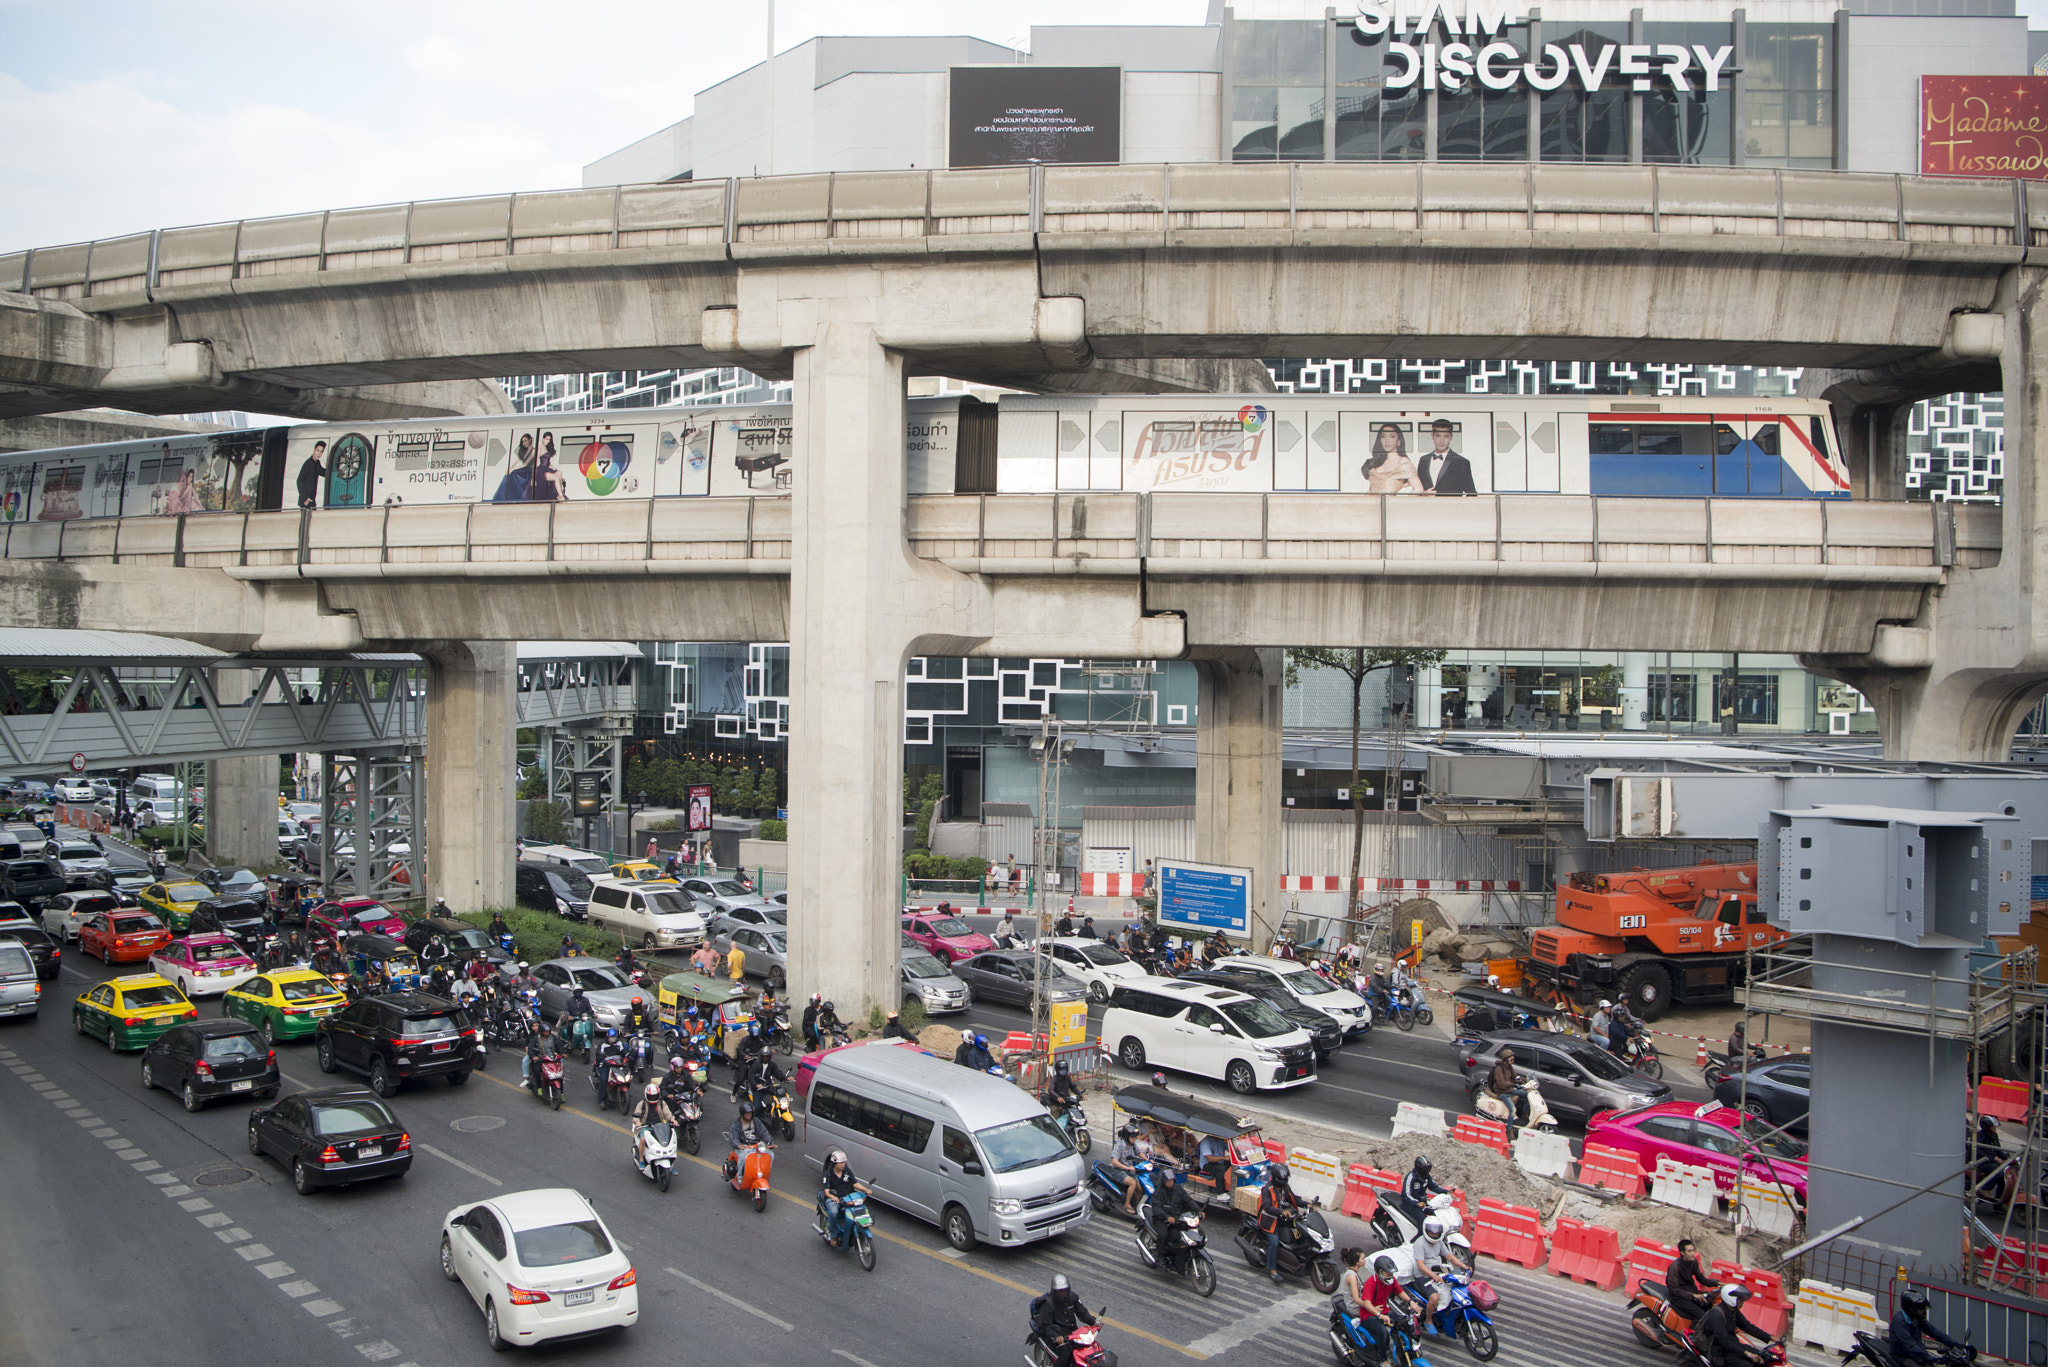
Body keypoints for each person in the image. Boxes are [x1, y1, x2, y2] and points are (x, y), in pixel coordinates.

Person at [1695, 1284, 1775, 1367]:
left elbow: (1748, 1327)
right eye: (1740, 1299)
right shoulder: (1716, 1315)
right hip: (1720, 1352)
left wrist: (1770, 1338)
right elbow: (1724, 1341)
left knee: (1763, 1356)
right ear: (1731, 1299)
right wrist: (1747, 1354)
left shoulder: (1733, 1311)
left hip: (1733, 1346)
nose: (1743, 1302)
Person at [1029, 1274, 1098, 1367]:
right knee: (1066, 1354)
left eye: (1064, 1291)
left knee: (1090, 1348)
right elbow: (1047, 1326)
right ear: (1054, 1292)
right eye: (1059, 1292)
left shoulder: (1073, 1297)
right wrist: (1056, 1336)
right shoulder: (1048, 1304)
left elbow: (1083, 1314)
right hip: (1055, 1335)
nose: (1062, 1293)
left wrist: (1095, 1322)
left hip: (1072, 1334)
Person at [1889, 1286, 1966, 1366]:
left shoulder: (1916, 1318)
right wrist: (1932, 1358)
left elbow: (1935, 1332)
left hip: (1918, 1355)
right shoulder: (1899, 1322)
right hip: (1903, 1356)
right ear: (1911, 1308)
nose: (1922, 1311)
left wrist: (1957, 1345)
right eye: (1920, 1308)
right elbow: (1910, 1345)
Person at [1258, 1163, 1304, 1283]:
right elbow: (1267, 1207)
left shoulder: (1285, 1188)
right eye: (1282, 1179)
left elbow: (1295, 1199)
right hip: (1269, 1221)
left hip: (1283, 1220)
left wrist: (1307, 1204)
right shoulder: (1267, 1190)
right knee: (1274, 1242)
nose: (1284, 1181)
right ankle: (1273, 1270)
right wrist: (1281, 1212)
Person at [1144, 1168, 1203, 1257]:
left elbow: (1188, 1200)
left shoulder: (1178, 1189)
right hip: (1161, 1220)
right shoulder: (1158, 1193)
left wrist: (1199, 1210)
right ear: (1164, 1181)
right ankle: (1160, 1256)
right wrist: (1167, 1217)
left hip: (1177, 1218)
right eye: (1168, 1180)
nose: (1170, 1182)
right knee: (1163, 1235)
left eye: (1171, 1180)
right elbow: (1157, 1209)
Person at [819, 1148, 870, 1247]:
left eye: (844, 1162)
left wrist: (865, 1190)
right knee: (834, 1213)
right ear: (835, 1163)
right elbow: (826, 1192)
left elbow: (855, 1184)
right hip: (833, 1199)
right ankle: (833, 1236)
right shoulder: (828, 1175)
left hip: (846, 1198)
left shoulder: (847, 1171)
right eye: (841, 1162)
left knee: (858, 1208)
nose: (843, 1164)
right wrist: (832, 1197)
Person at [1665, 1239, 1721, 1323]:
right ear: (1682, 1253)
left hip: (1691, 1293)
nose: (1692, 1253)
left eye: (1693, 1250)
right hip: (1678, 1298)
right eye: (1689, 1251)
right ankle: (1690, 1335)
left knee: (1709, 1307)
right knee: (1701, 1315)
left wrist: (1717, 1283)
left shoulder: (1693, 1262)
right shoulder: (1675, 1267)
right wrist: (1693, 1295)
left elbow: (1702, 1279)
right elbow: (1674, 1289)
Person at [1418, 417, 1477, 495]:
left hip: (1451, 506)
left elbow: (1471, 493)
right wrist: (1423, 494)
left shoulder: (1462, 462)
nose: (1441, 440)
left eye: (1446, 436)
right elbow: (1417, 490)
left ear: (1451, 437)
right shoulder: (1423, 460)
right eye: (1438, 436)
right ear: (1432, 436)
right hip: (1426, 506)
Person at [1363, 422, 1426, 494]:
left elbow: (1418, 489)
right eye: (1383, 436)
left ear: (1399, 441)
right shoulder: (1376, 463)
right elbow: (1370, 491)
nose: (1387, 440)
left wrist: (1401, 503)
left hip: (1391, 504)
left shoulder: (1402, 462)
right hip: (1372, 503)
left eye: (1392, 436)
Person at [629, 1081, 676, 1167]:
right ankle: (641, 1160)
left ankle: (671, 1164)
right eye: (651, 1096)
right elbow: (635, 1116)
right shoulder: (641, 1104)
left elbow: (667, 1113)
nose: (653, 1098)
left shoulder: (662, 1103)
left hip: (659, 1127)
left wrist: (672, 1119)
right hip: (645, 1127)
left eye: (655, 1096)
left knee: (670, 1140)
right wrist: (638, 1122)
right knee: (643, 1139)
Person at [1109, 1124, 1151, 1217]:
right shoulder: (1119, 1146)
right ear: (1126, 1137)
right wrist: (1127, 1167)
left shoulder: (1132, 1145)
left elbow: (1139, 1152)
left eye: (1135, 1137)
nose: (1135, 1139)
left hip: (1130, 1171)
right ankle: (1127, 1204)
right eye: (1133, 1137)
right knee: (1133, 1183)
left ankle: (1136, 1204)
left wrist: (1147, 1160)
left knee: (1140, 1187)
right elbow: (1114, 1161)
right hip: (1118, 1171)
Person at [1486, 1047, 1532, 1129]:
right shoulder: (1499, 1069)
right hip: (1502, 1092)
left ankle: (1525, 1114)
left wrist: (1525, 1080)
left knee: (1529, 1095)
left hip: (1509, 1090)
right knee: (1513, 1110)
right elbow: (1501, 1083)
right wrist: (1512, 1084)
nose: (1512, 1060)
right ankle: (1509, 1130)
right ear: (1505, 1059)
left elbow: (1515, 1078)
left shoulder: (1509, 1067)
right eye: (1511, 1059)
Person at [725, 1099, 771, 1176]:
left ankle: (765, 1174)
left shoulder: (756, 1121)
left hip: (756, 1146)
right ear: (742, 1114)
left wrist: (769, 1142)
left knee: (770, 1154)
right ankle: (739, 1176)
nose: (749, 1115)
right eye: (747, 1114)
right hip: (744, 1147)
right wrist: (738, 1145)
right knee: (743, 1157)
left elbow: (764, 1132)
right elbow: (733, 1136)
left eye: (750, 1114)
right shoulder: (737, 1124)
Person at [1402, 1155, 1450, 1228]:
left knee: (1437, 1214)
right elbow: (1406, 1195)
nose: (1427, 1172)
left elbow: (1434, 1187)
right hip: (1410, 1204)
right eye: (1426, 1170)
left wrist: (1447, 1192)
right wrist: (1417, 1203)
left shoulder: (1427, 1176)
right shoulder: (1411, 1177)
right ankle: (1420, 1237)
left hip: (1423, 1202)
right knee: (1423, 1220)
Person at [296, 441, 328, 509]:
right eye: (317, 450)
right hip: (306, 501)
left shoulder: (317, 463)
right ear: (314, 450)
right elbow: (299, 481)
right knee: (305, 519)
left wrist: (328, 468)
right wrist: (305, 499)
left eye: (321, 452)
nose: (319, 453)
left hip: (312, 500)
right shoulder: (308, 464)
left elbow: (323, 473)